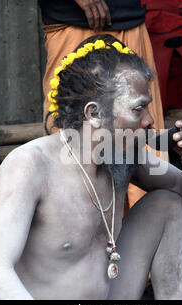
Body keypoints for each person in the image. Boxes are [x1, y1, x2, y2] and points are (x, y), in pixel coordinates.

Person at [0, 35, 182, 299]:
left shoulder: (125, 152)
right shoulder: (29, 165)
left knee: (170, 205)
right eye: (138, 109)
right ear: (94, 114)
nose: (150, 121)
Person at [39, 0, 167, 207]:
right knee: (72, 160)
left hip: (129, 20)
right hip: (73, 25)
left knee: (144, 148)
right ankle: (76, 235)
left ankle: (134, 233)